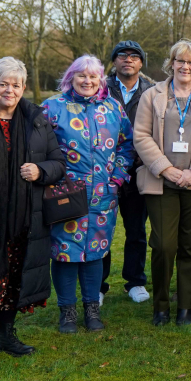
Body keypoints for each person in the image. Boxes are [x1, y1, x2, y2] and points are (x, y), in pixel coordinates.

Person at [0, 58, 66, 377]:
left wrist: (42, 171)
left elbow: (58, 161)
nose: (9, 90)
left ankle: (6, 337)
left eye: (16, 85)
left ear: (24, 88)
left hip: (25, 218)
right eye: (3, 83)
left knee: (14, 278)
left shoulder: (36, 120)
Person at [134, 40, 191, 327]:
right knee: (163, 245)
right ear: (171, 63)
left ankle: (186, 307)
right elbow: (141, 136)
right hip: (162, 182)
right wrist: (166, 169)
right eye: (180, 61)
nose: (186, 67)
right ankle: (160, 306)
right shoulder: (152, 95)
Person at [41, 55, 134, 333]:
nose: (87, 81)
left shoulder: (113, 108)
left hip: (102, 195)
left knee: (95, 253)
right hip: (65, 195)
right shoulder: (52, 108)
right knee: (64, 253)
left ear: (100, 79)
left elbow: (126, 145)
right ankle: (67, 312)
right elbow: (38, 147)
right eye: (81, 75)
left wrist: (117, 177)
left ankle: (92, 309)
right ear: (71, 77)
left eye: (93, 76)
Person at [101, 40, 154, 305]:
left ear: (141, 63)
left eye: (134, 56)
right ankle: (98, 285)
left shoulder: (153, 91)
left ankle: (134, 282)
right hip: (105, 171)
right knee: (102, 231)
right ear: (114, 61)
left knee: (136, 230)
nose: (128, 60)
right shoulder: (99, 88)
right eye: (122, 55)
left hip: (139, 170)